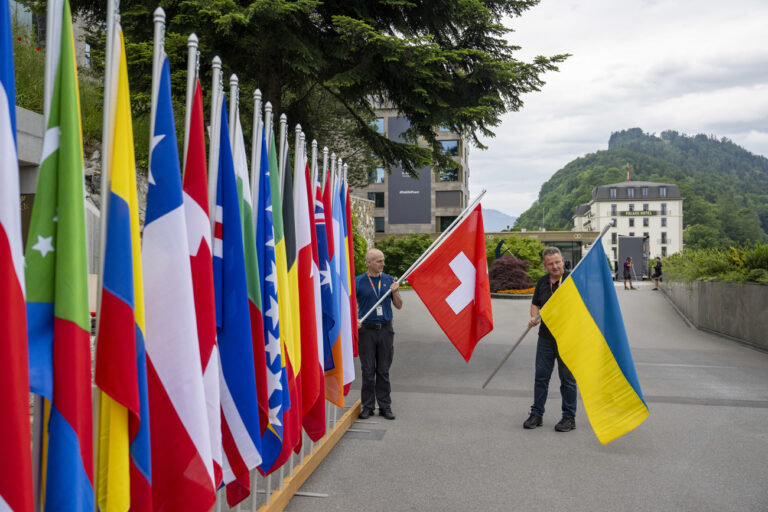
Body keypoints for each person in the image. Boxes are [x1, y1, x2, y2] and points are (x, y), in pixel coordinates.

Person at [524, 247, 577, 432]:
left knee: (567, 380)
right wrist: (533, 317)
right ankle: (536, 414)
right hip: (546, 338)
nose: (555, 266)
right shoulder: (542, 282)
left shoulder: (572, 280)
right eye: (551, 264)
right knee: (541, 377)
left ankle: (569, 417)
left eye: (557, 262)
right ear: (545, 266)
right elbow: (535, 303)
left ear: (563, 261)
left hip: (567, 338)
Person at [355, 248, 403, 420]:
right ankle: (367, 406)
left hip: (385, 330)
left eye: (383, 260)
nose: (383, 264)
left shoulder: (389, 280)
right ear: (369, 263)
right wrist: (355, 319)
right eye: (378, 261)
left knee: (383, 370)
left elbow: (399, 305)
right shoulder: (358, 282)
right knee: (368, 371)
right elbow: (349, 305)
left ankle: (385, 406)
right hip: (366, 331)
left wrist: (395, 291)